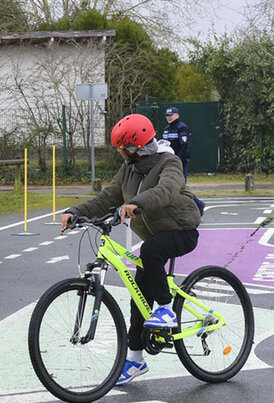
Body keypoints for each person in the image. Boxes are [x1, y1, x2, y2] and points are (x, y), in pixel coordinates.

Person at [61, 114, 201, 386]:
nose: (119, 152)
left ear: (134, 146)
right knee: (138, 299)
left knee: (150, 252)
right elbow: (108, 197)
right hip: (155, 238)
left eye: (121, 147)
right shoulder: (129, 169)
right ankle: (135, 359)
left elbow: (168, 190)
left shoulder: (168, 161)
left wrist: (137, 203)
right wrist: (75, 212)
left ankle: (166, 309)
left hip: (182, 230)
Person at [162, 107, 190, 180]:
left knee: (180, 180)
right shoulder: (166, 129)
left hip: (180, 160)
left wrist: (178, 159)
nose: (168, 117)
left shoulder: (182, 127)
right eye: (167, 115)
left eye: (171, 115)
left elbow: (184, 146)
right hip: (168, 159)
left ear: (177, 116)